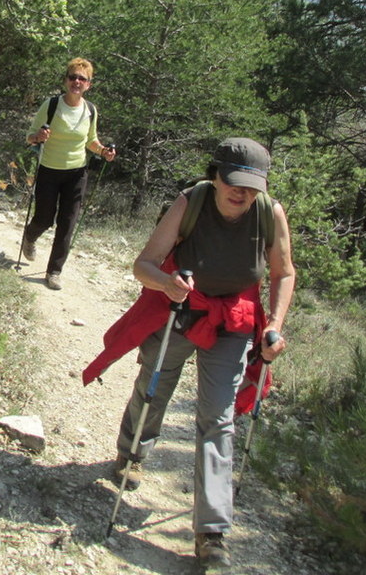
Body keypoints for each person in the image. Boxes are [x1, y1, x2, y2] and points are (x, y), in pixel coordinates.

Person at [93, 138, 295, 569]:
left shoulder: (269, 212)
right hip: (182, 310)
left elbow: (283, 272)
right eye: (233, 183)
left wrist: (274, 324)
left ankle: (211, 532)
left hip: (235, 319)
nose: (241, 193)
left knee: (217, 417)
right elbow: (144, 264)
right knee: (155, 384)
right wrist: (166, 284)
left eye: (251, 186)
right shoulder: (191, 202)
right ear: (215, 175)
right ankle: (131, 454)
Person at [21, 58, 116, 291]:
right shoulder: (52, 105)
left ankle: (54, 271)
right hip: (49, 169)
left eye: (82, 79)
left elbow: (91, 141)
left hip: (76, 172)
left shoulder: (90, 110)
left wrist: (103, 151)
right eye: (73, 77)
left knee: (67, 223)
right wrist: (38, 138)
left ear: (89, 84)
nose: (76, 81)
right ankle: (30, 237)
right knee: (44, 218)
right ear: (65, 80)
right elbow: (30, 136)